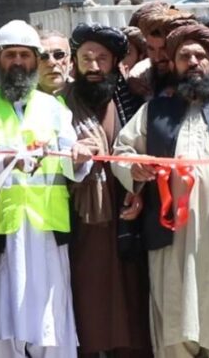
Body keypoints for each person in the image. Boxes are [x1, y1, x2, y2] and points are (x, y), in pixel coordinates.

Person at [112, 24, 209, 358]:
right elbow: (121, 152)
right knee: (174, 330)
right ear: (173, 63)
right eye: (185, 56)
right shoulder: (153, 111)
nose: (193, 62)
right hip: (170, 241)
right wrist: (134, 169)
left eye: (200, 56)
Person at [0, 20, 93, 358]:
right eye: (10, 55)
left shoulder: (54, 107)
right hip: (2, 227)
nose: (17, 62)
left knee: (51, 322)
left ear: (34, 60)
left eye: (24, 55)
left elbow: (72, 162)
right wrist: (6, 161)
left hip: (46, 228)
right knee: (4, 321)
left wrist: (80, 156)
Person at [61, 23, 152, 357]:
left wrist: (138, 190)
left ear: (115, 63)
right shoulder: (59, 104)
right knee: (87, 306)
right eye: (86, 58)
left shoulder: (130, 101)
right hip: (81, 223)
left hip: (126, 219)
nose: (94, 66)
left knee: (130, 305)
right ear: (75, 62)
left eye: (102, 58)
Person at [37, 30, 71, 96]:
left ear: (70, 60)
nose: (52, 62)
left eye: (59, 55)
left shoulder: (85, 94)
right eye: (43, 56)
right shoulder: (21, 98)